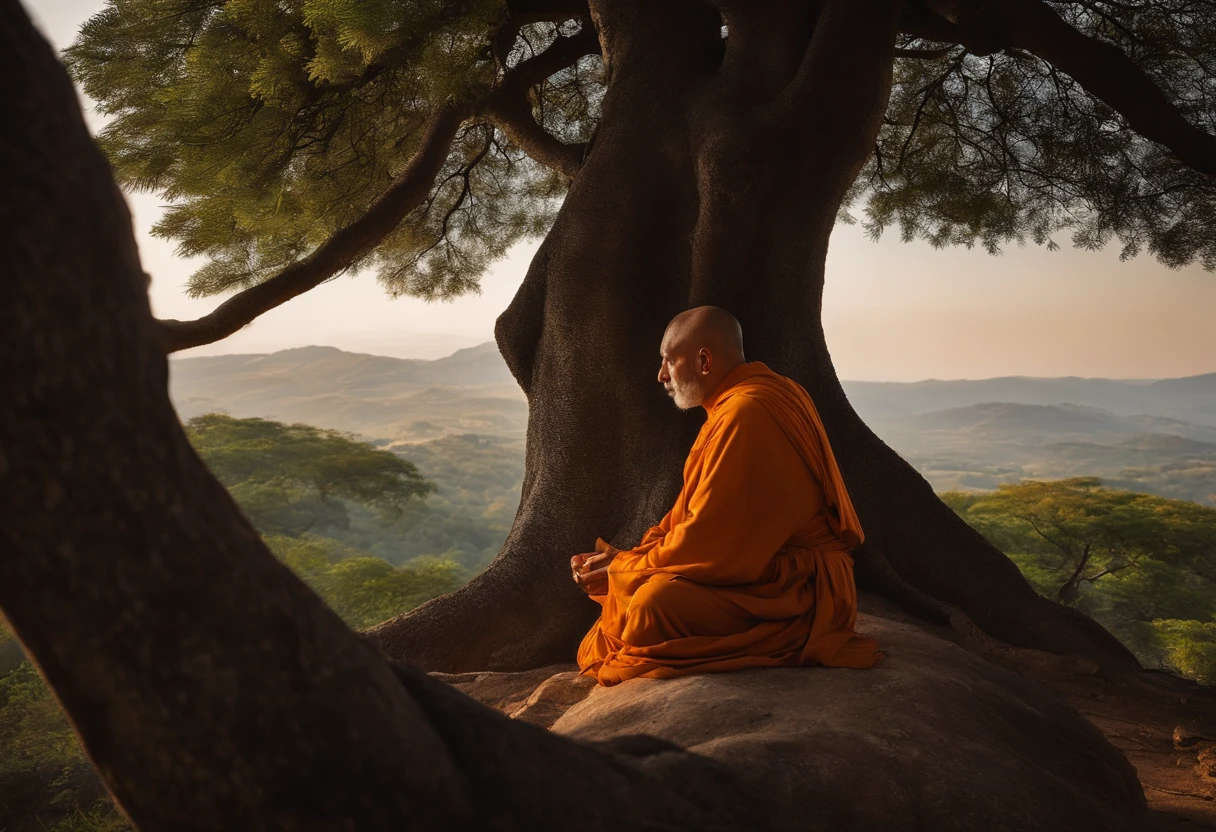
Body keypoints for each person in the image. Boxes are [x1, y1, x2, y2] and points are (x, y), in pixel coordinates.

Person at [571, 306, 884, 686]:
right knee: (641, 594)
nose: (661, 375)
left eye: (669, 361)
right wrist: (626, 559)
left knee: (652, 607)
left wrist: (626, 571)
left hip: (799, 591)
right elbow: (690, 520)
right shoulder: (751, 399)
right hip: (760, 569)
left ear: (704, 360)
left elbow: (710, 544)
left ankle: (790, 632)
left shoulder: (747, 412)